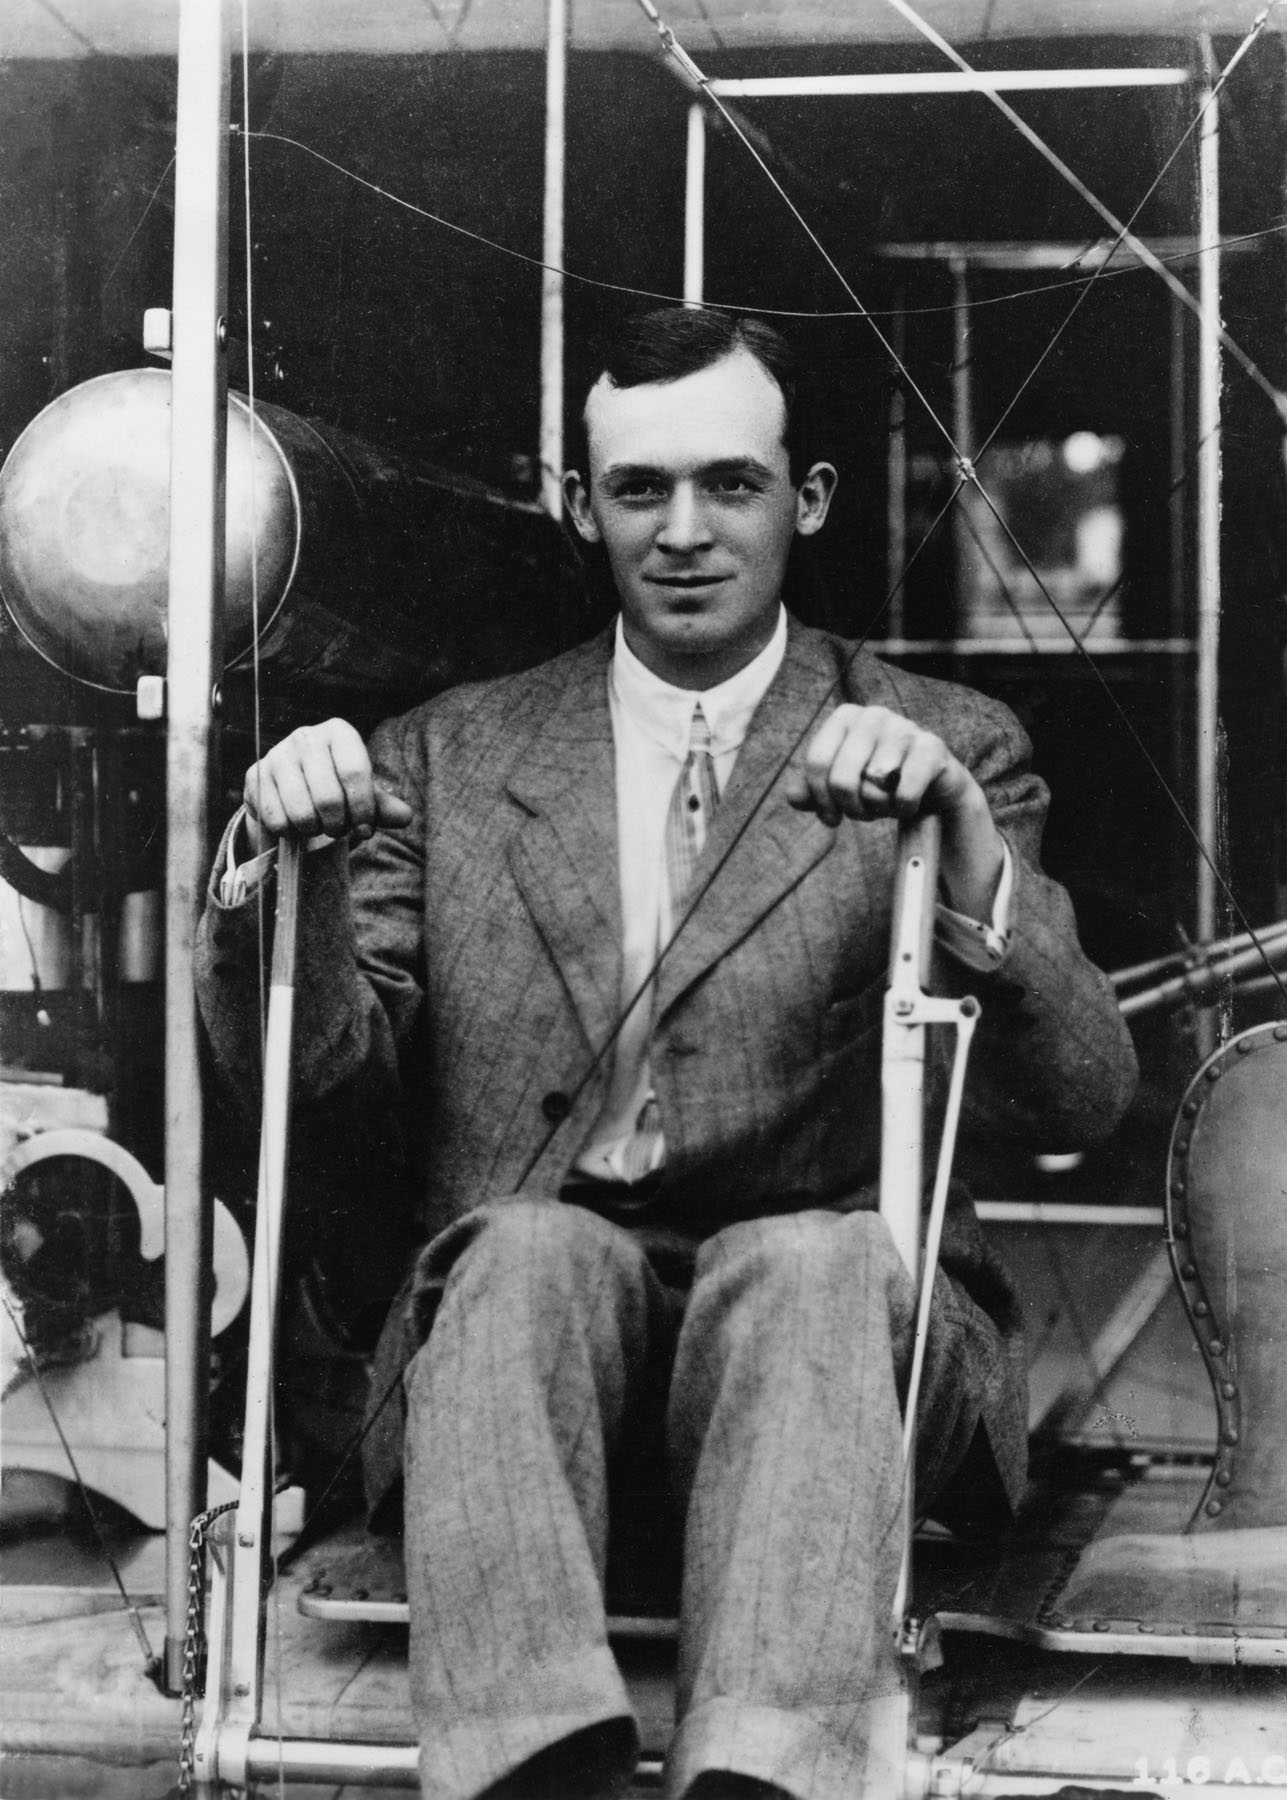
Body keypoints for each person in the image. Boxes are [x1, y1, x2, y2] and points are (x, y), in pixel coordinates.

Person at [196, 308, 1138, 1800]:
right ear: (583, 505)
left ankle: (765, 1778)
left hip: (837, 1379)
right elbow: (317, 1091)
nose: (683, 530)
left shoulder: (942, 736)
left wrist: (963, 856)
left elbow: (1083, 1093)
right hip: (533, 1385)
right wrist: (273, 870)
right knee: (517, 1251)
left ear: (806, 498)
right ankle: (533, 1775)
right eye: (639, 490)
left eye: (732, 484)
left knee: (810, 1263)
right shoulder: (449, 755)